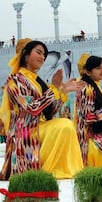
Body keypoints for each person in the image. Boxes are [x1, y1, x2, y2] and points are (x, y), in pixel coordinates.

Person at [0, 38, 84, 180]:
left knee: (65, 124)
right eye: (38, 52)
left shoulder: (36, 80)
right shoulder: (15, 80)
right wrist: (53, 89)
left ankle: (65, 169)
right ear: (26, 55)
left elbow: (49, 112)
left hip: (39, 125)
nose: (42, 57)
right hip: (25, 129)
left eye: (44, 55)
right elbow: (31, 109)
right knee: (64, 126)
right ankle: (50, 170)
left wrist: (62, 92)